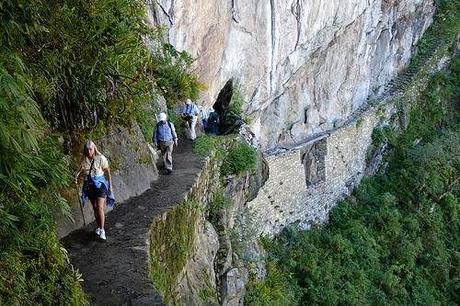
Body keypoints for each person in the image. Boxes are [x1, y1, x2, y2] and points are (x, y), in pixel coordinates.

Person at [75, 140, 114, 241]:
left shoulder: (100, 158)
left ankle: (102, 230)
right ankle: (99, 226)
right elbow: (79, 170)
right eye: (87, 150)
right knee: (95, 208)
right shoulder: (83, 160)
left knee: (100, 207)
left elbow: (107, 170)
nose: (89, 152)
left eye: (90, 149)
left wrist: (110, 185)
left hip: (100, 185)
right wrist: (76, 176)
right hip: (90, 186)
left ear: (94, 149)